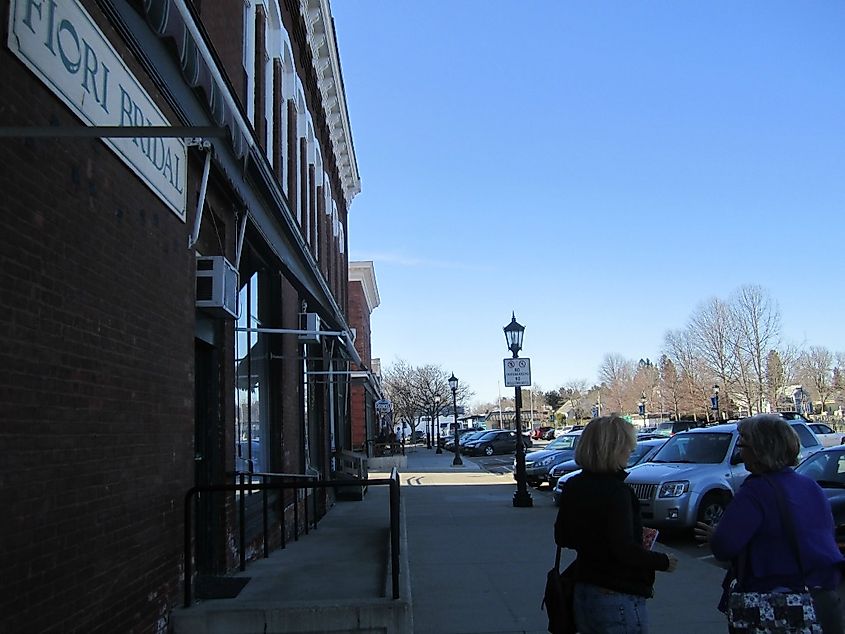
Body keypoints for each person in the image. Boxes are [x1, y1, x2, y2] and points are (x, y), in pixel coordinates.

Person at [695, 414, 844, 633]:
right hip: (823, 598)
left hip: (777, 603)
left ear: (759, 450)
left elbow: (724, 546)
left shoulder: (755, 491)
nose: (739, 451)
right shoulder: (810, 486)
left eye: (742, 444)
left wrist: (714, 535)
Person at [555, 415, 678, 633]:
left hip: (584, 588)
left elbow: (562, 536)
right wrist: (663, 561)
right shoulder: (617, 492)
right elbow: (624, 550)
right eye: (628, 445)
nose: (632, 450)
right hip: (616, 594)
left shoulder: (574, 485)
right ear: (614, 448)